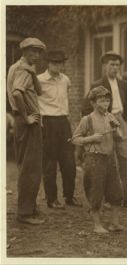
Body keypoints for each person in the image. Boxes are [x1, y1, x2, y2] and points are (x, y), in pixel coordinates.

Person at [82, 51, 127, 209]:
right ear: (104, 66)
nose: (115, 68)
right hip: (104, 121)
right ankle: (105, 199)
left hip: (120, 121)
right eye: (112, 65)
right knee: (105, 160)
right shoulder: (97, 85)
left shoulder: (123, 84)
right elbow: (86, 107)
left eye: (117, 65)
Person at [72, 86, 124, 234]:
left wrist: (116, 129)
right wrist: (91, 138)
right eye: (101, 100)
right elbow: (75, 139)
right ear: (93, 103)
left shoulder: (110, 117)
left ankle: (114, 223)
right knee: (96, 192)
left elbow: (120, 138)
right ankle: (97, 225)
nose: (105, 103)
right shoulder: (87, 120)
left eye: (107, 100)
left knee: (116, 191)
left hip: (110, 158)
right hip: (94, 160)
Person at [7, 37, 46, 225]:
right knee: (30, 168)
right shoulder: (23, 69)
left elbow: (39, 91)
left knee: (29, 165)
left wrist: (33, 73)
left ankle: (29, 207)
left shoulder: (24, 68)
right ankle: (24, 213)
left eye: (39, 52)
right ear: (24, 51)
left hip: (25, 122)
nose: (37, 55)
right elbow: (16, 93)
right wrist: (26, 117)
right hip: (28, 122)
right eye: (33, 52)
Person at [37, 50, 82, 209]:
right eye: (54, 63)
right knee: (50, 162)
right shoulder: (39, 80)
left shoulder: (66, 80)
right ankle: (52, 199)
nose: (58, 66)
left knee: (69, 161)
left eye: (60, 63)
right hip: (48, 122)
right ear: (48, 63)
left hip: (64, 122)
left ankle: (69, 196)